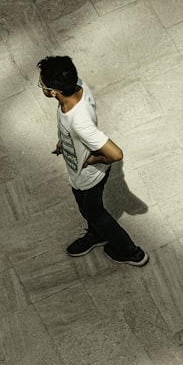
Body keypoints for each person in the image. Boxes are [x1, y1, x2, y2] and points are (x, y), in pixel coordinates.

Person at [37, 56, 149, 266]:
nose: (40, 86)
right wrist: (65, 140)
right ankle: (97, 235)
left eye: (41, 84)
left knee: (94, 212)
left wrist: (91, 160)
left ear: (54, 92)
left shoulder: (80, 123)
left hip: (87, 180)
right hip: (87, 170)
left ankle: (130, 251)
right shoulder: (77, 86)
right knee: (93, 212)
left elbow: (116, 154)